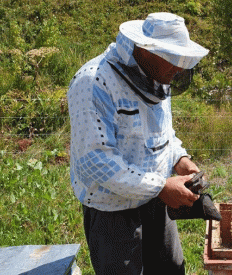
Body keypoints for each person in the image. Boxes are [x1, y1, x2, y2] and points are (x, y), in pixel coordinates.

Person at [67, 12, 209, 275]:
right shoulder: (93, 82)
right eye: (171, 57)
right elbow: (94, 160)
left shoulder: (156, 76)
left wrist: (180, 160)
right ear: (144, 49)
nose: (178, 67)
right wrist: (160, 186)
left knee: (171, 270)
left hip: (156, 201)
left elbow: (163, 133)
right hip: (113, 210)